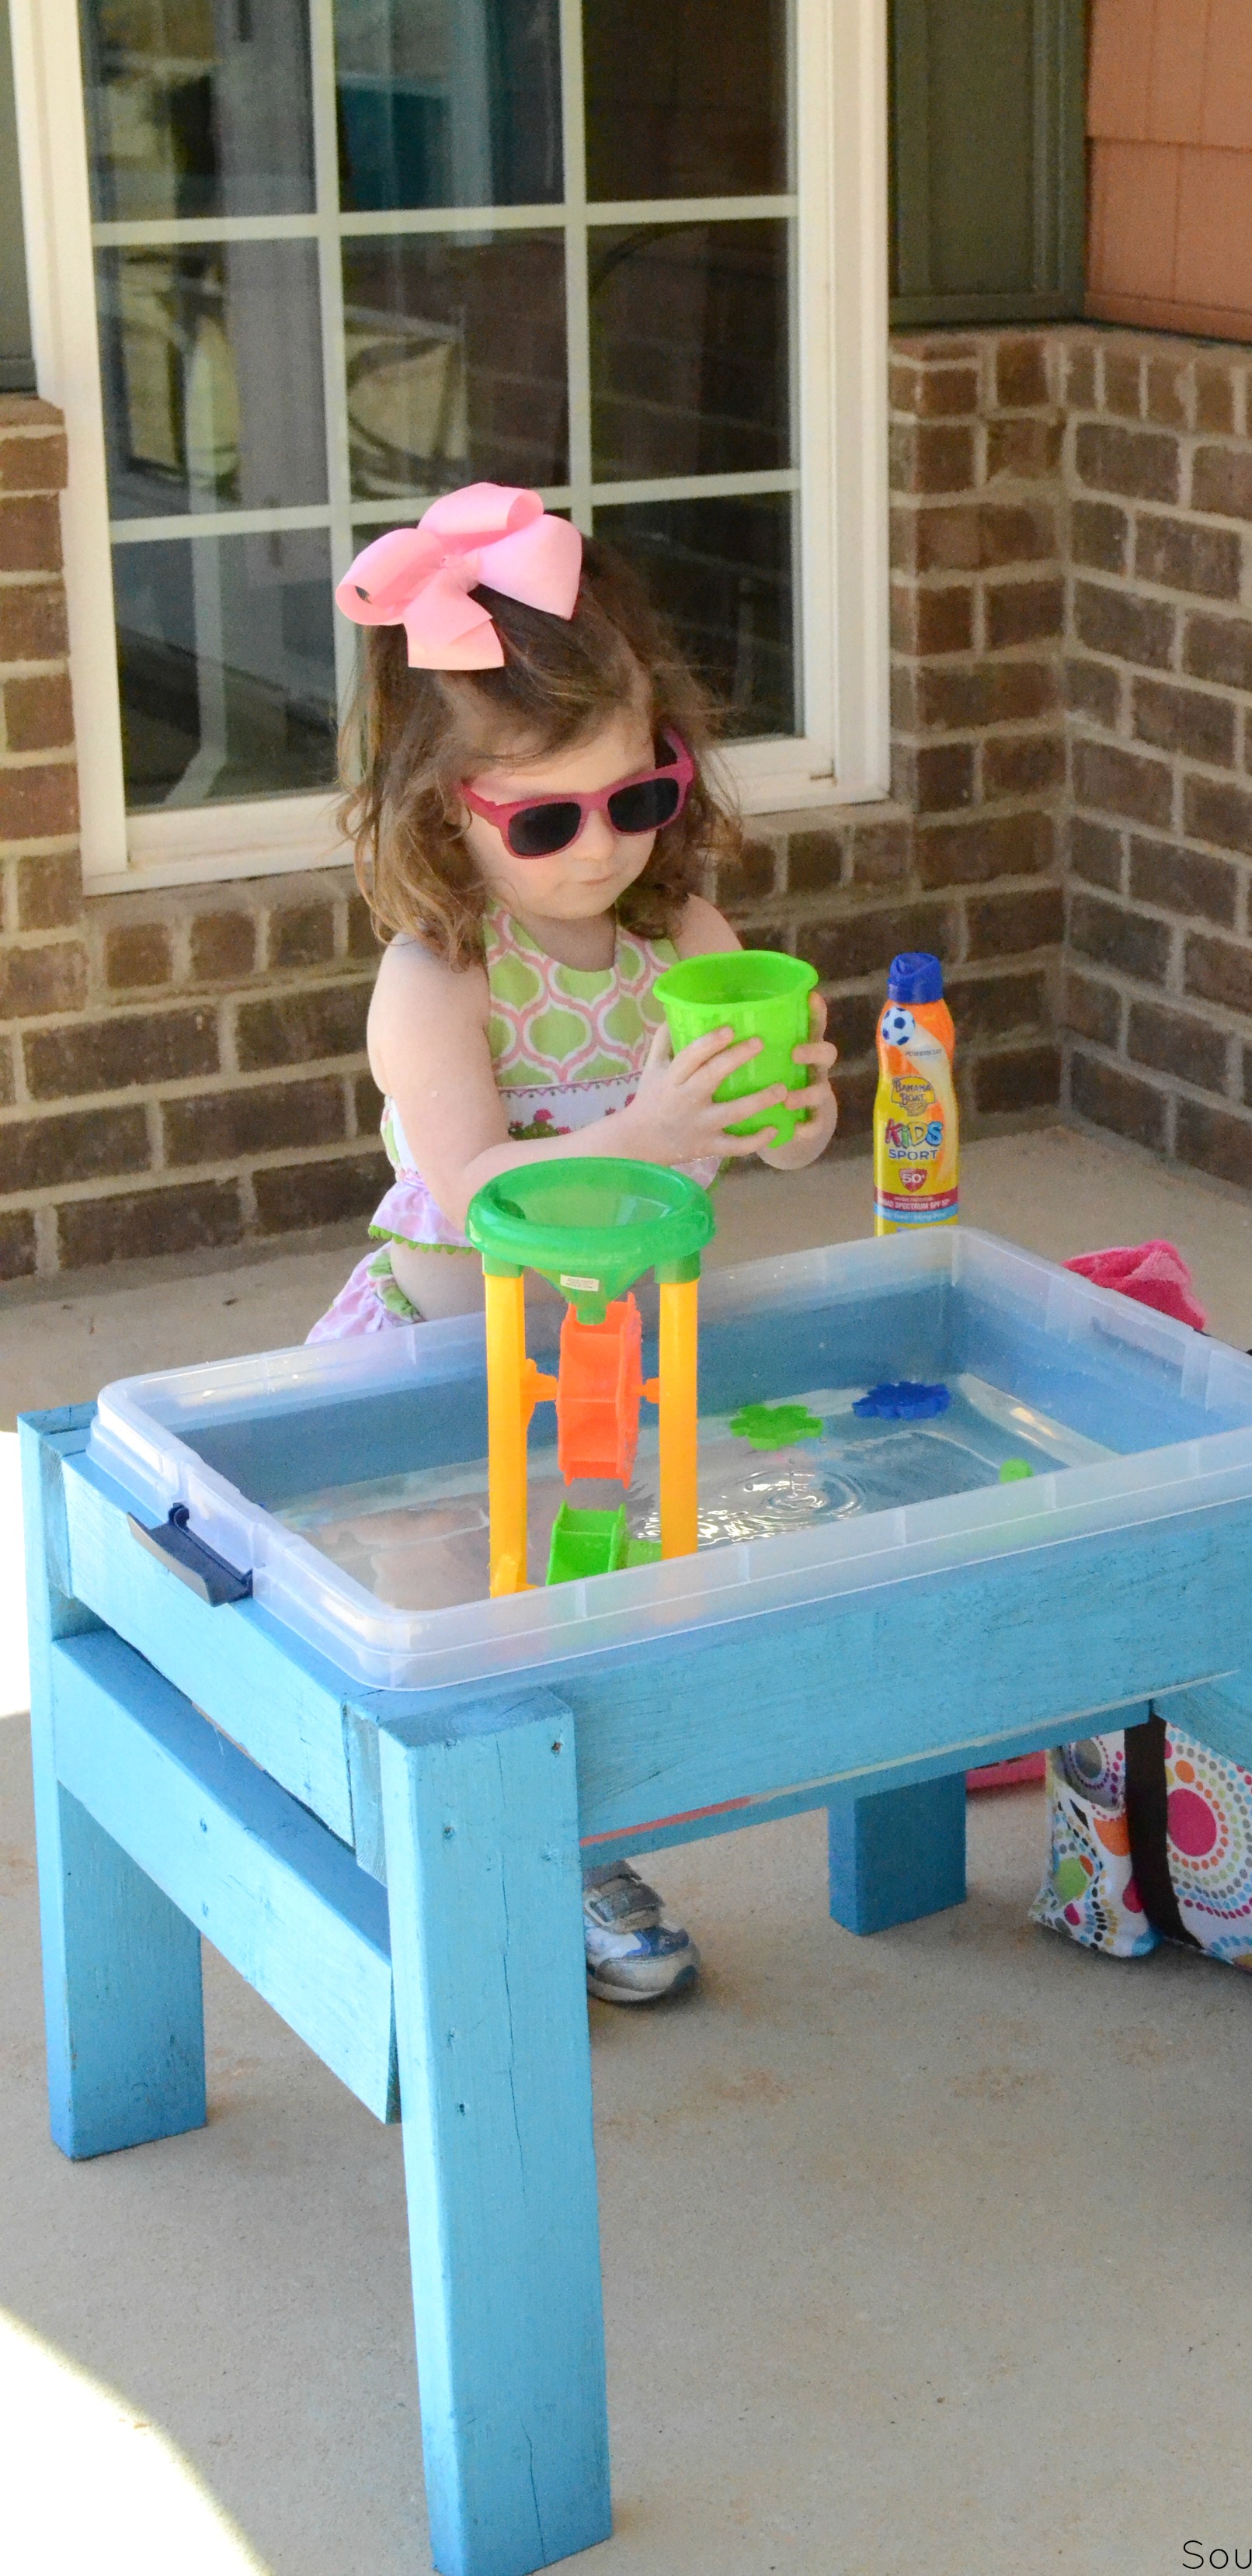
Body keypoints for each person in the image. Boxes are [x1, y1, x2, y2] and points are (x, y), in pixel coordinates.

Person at [308, 482, 839, 2005]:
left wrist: (789, 1109)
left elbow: (771, 1139)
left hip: (612, 1349)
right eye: (544, 820)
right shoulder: (440, 978)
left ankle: (572, 1854)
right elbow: (476, 1187)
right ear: (440, 813)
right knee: (439, 1629)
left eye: (637, 798)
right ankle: (417, 1867)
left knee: (590, 1602)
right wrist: (648, 1137)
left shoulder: (691, 944)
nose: (598, 849)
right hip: (441, 1352)